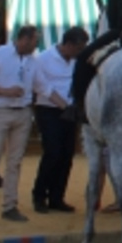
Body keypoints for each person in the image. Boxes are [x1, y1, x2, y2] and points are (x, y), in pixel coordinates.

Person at [0, 25, 40, 224]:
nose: (36, 44)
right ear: (25, 39)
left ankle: (9, 205)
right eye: (35, 40)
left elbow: (38, 85)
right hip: (0, 111)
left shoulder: (32, 60)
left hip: (22, 112)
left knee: (15, 162)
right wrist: (6, 92)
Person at [32, 27, 89, 213]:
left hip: (70, 111)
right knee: (53, 153)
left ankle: (57, 197)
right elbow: (42, 86)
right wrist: (64, 105)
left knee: (67, 155)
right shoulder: (43, 58)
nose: (80, 52)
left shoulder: (77, 60)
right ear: (69, 45)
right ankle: (39, 195)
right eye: (79, 48)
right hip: (49, 110)